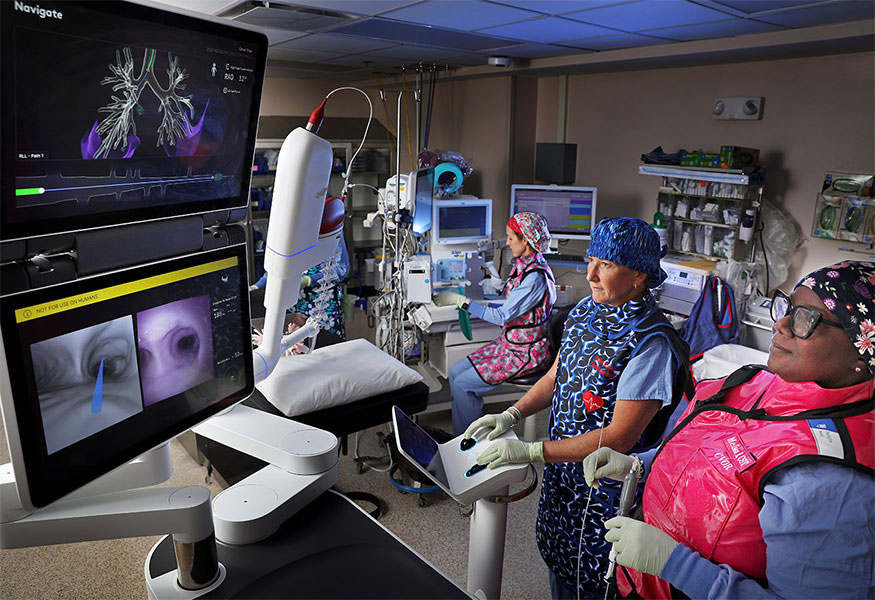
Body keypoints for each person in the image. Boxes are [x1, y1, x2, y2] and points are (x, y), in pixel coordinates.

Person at [584, 260, 875, 599]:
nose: (780, 325)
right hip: (640, 581)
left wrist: (676, 565)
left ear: (862, 349)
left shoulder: (830, 479)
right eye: (788, 308)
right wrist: (644, 463)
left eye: (805, 319)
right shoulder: (757, 381)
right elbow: (704, 447)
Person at [467, 217, 694, 599]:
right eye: (591, 259)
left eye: (605, 264)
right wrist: (513, 414)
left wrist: (532, 450)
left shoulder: (650, 344)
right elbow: (557, 375)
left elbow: (620, 436)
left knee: (592, 580)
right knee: (558, 561)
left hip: (602, 487)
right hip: (562, 475)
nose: (589, 273)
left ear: (639, 275)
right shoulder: (585, 312)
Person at [434, 212, 556, 436]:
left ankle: (466, 443)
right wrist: (494, 283)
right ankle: (468, 432)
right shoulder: (524, 265)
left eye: (511, 238)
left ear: (525, 241)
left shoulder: (535, 278)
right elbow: (512, 293)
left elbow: (502, 316)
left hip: (525, 353)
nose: (507, 242)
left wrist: (462, 302)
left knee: (463, 385)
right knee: (454, 372)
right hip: (509, 344)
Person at [251, 229, 350, 340]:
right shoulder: (285, 228)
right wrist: (258, 285)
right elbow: (276, 266)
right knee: (295, 346)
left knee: (327, 345)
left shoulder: (329, 227)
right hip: (294, 304)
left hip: (324, 305)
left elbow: (342, 269)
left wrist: (310, 280)